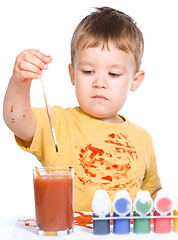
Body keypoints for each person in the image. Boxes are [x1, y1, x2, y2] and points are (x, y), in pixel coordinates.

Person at [3, 7, 161, 211]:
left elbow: (151, 195)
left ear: (135, 80)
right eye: (88, 71)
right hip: (65, 231)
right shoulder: (57, 123)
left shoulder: (143, 139)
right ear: (72, 74)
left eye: (113, 74)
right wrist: (20, 82)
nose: (100, 82)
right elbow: (15, 119)